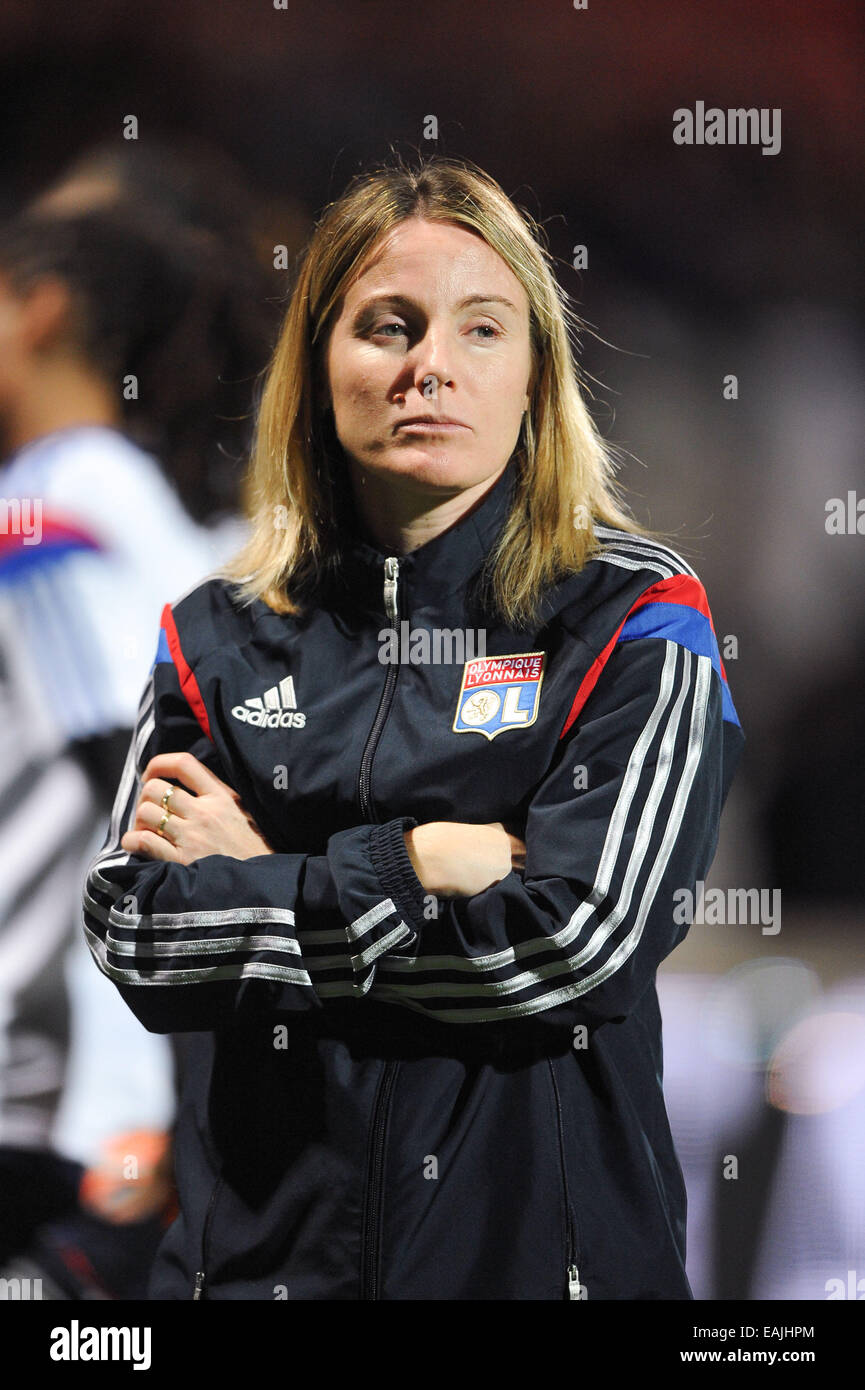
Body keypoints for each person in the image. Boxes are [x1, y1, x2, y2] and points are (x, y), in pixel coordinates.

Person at [83, 155, 744, 1301]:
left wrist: (267, 879)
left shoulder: (635, 614)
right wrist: (418, 863)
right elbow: (139, 937)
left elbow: (572, 943)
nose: (428, 367)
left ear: (535, 376)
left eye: (480, 331)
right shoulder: (216, 633)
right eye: (387, 327)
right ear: (318, 366)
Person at [0, 155, 273, 1295]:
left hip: (44, 1112)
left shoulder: (49, 510)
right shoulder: (172, 519)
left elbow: (153, 756)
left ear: (45, 310)